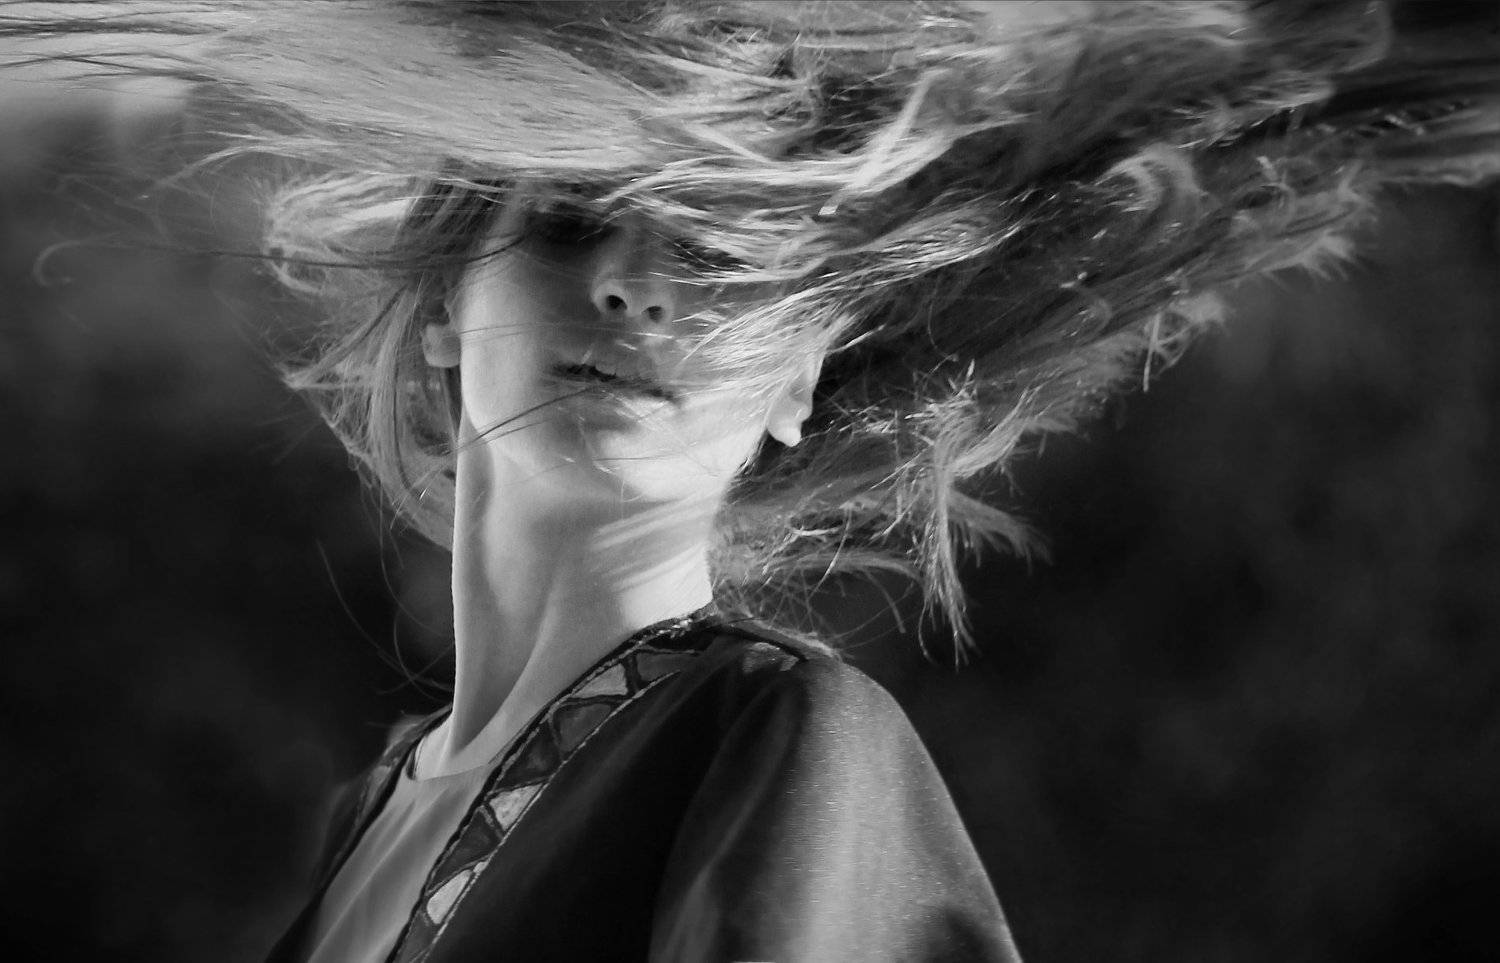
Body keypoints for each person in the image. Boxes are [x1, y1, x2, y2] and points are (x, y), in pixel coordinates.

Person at [5, 2, 1497, 960]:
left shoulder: (784, 737)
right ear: (449, 303)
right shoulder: (370, 810)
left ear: (795, 388)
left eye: (726, 268)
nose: (641, 293)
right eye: (574, 220)